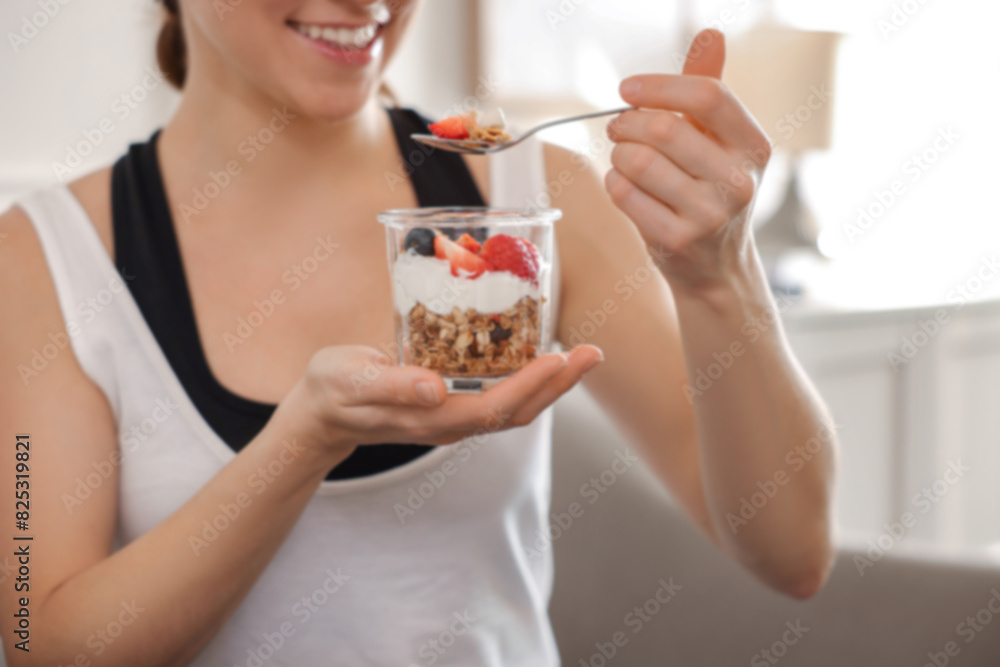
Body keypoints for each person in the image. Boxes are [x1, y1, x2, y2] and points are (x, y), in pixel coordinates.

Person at [0, 0, 837, 664]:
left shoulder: (538, 199)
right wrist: (302, 444)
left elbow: (792, 550)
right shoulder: (45, 257)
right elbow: (38, 641)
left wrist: (721, 275)